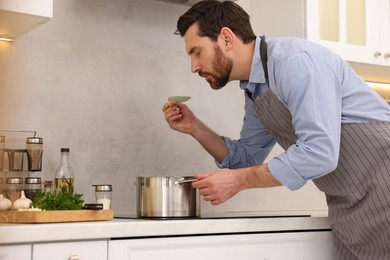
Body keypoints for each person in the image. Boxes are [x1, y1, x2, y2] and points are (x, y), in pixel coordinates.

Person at [162, 1, 390, 259]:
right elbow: (246, 158)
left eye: (196, 52)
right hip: (349, 207)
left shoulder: (295, 62)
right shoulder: (255, 89)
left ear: (226, 38)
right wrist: (195, 127)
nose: (193, 67)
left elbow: (319, 153)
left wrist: (237, 182)